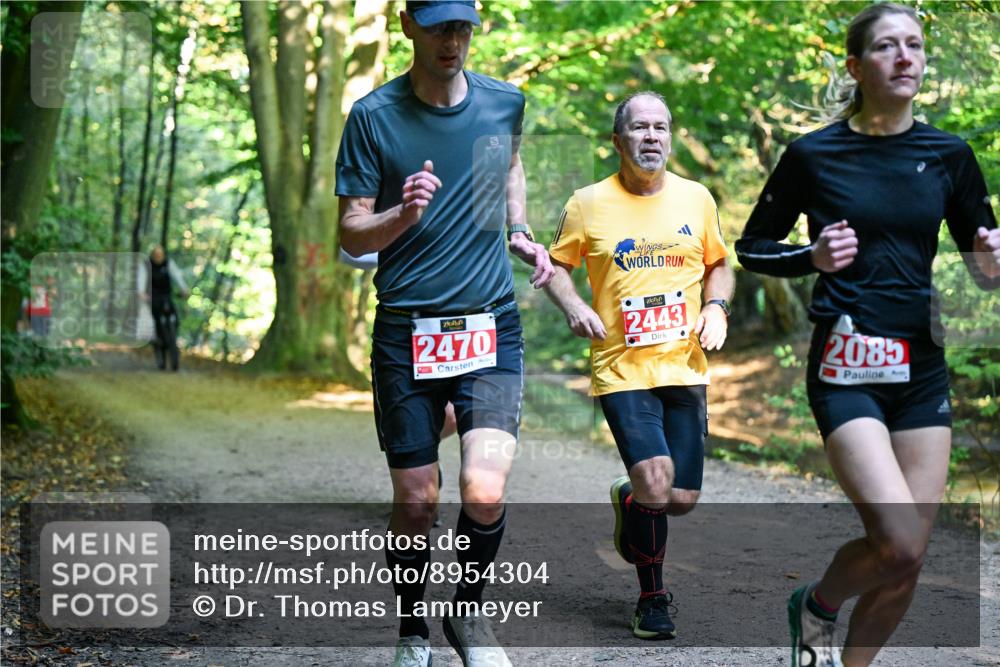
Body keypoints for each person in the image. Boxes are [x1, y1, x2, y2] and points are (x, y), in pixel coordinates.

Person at [734, 4, 1000, 666]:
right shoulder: (814, 154)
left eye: (914, 45)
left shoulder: (949, 155)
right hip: (845, 365)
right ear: (857, 66)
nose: (905, 57)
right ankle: (818, 604)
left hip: (920, 367)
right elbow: (751, 247)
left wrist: (991, 261)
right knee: (900, 542)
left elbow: (984, 263)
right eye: (887, 47)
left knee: (905, 563)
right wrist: (811, 258)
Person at [335, 2, 553, 665]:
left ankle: (468, 616)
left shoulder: (505, 102)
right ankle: (411, 630)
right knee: (417, 497)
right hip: (406, 328)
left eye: (462, 26)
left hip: (490, 321)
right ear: (407, 24)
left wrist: (518, 227)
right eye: (437, 26)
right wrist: (406, 211)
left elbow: (509, 164)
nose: (452, 40)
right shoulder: (373, 117)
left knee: (485, 488)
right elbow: (350, 229)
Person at [544, 91, 734, 640]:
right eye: (640, 127)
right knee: (656, 481)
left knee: (680, 499)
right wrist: (576, 305)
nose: (652, 136)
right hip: (621, 368)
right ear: (618, 139)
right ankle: (652, 600)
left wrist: (717, 308)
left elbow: (719, 264)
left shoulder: (697, 198)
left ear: (670, 137)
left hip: (685, 365)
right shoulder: (587, 203)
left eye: (661, 127)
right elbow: (556, 267)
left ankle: (630, 501)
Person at [143, 245, 189, 371]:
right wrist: (141, 293)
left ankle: (173, 338)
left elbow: (177, 277)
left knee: (175, 317)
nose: (159, 257)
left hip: (166, 297)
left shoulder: (169, 264)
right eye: (156, 255)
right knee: (153, 321)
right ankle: (156, 342)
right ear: (152, 255)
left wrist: (184, 289)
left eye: (161, 254)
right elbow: (140, 280)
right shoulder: (147, 265)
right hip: (152, 298)